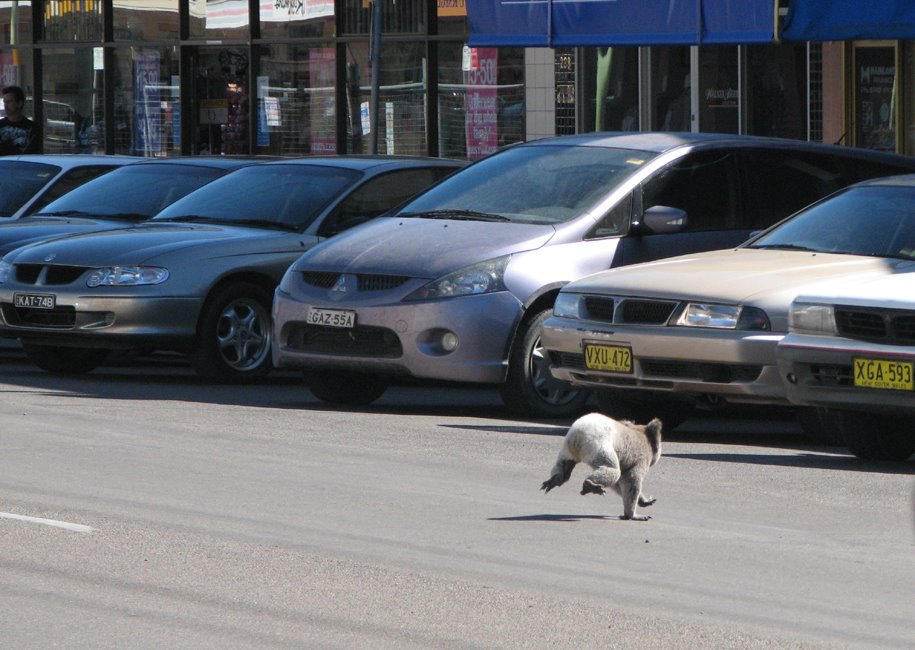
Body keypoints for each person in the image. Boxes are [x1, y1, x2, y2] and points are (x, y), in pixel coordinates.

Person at [0, 85, 39, 155]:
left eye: (9, 102)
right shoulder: (0, 125)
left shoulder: (32, 128)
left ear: (19, 103)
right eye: (4, 102)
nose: (6, 105)